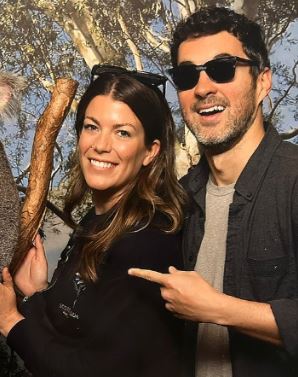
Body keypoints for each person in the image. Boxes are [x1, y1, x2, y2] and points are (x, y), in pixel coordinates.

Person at [129, 6, 298, 377]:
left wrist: (217, 308)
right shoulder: (178, 201)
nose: (202, 88)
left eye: (222, 69)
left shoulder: (292, 181)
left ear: (263, 82)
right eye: (187, 76)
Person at [0, 66, 186, 377]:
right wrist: (37, 293)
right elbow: (75, 329)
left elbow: (93, 369)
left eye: (122, 132)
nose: (100, 145)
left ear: (151, 152)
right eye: (91, 127)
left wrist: (9, 321)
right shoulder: (101, 218)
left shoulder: (148, 242)